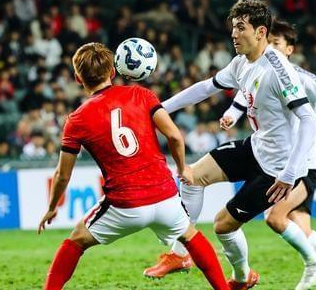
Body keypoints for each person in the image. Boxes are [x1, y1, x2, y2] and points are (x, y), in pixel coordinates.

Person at [147, 20, 316, 290]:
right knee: (286, 222)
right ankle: (181, 254)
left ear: (290, 49)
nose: (271, 47)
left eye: (277, 43)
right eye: (270, 42)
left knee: (277, 219)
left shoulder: (298, 78)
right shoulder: (252, 66)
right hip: (261, 149)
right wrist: (228, 114)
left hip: (302, 164)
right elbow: (239, 97)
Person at [37, 43, 228, 290]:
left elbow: (63, 175)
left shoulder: (76, 120)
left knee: (76, 241)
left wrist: (52, 207)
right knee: (190, 236)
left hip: (125, 205)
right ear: (112, 72)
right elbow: (175, 136)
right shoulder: (142, 95)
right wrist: (183, 168)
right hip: (165, 196)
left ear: (77, 78)